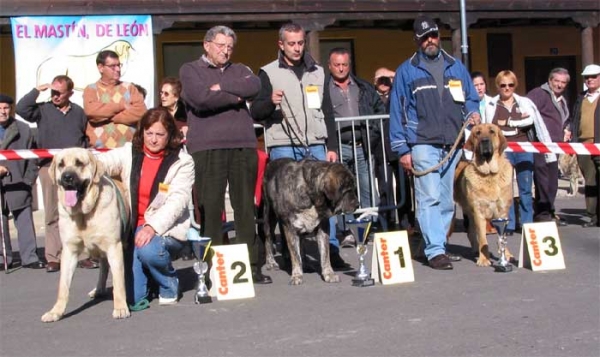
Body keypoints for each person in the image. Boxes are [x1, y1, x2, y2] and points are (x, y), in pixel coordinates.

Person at [250, 22, 349, 270]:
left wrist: (331, 145)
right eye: (291, 43)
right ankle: (293, 255)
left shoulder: (318, 71)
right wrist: (270, 103)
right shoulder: (268, 72)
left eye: (300, 43)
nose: (297, 48)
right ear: (281, 44)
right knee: (289, 205)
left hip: (315, 144)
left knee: (325, 201)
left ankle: (331, 252)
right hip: (284, 146)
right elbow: (256, 112)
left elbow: (327, 111)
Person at [180, 25, 272, 284]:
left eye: (230, 47)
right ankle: (209, 267)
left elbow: (255, 86)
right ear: (207, 45)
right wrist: (236, 96)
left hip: (243, 145)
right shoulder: (190, 70)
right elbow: (200, 99)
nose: (226, 51)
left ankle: (250, 264)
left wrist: (221, 87)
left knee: (245, 207)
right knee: (210, 208)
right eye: (221, 45)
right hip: (207, 147)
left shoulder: (241, 70)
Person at [389, 15, 480, 270]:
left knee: (445, 199)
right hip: (422, 142)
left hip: (451, 142)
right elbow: (397, 111)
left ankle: (437, 243)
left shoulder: (456, 66)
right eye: (424, 37)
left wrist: (473, 112)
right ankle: (435, 250)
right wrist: (402, 149)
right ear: (417, 40)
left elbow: (471, 98)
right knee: (428, 197)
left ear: (439, 36)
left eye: (434, 35)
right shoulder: (407, 71)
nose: (430, 40)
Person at [98, 107, 194, 309]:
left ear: (170, 135)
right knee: (133, 297)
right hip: (132, 230)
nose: (153, 139)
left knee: (148, 250)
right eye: (149, 133)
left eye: (160, 134)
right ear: (142, 132)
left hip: (166, 229)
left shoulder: (183, 161)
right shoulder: (129, 153)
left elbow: (177, 203)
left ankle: (169, 284)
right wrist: (80, 162)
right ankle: (150, 279)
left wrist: (151, 227)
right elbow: (103, 162)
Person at [15, 75, 90, 273]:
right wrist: (36, 91)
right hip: (50, 168)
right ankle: (54, 257)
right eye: (53, 92)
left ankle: (83, 255)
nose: (55, 96)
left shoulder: (79, 113)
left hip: (74, 171)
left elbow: (84, 137)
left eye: (59, 93)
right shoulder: (43, 110)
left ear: (70, 93)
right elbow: (21, 109)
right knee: (52, 214)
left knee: (78, 211)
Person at [483, 70, 554, 235]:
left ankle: (526, 223)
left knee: (526, 188)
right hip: (503, 151)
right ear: (497, 87)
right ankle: (508, 224)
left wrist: (508, 122)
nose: (507, 88)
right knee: (505, 189)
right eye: (503, 85)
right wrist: (517, 123)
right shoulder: (491, 105)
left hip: (524, 149)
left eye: (510, 85)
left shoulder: (525, 102)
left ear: (515, 85)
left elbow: (531, 121)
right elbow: (491, 128)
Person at [326, 47, 385, 246]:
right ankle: (345, 231)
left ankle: (365, 228)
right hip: (339, 147)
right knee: (340, 190)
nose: (341, 69)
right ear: (330, 66)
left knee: (368, 188)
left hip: (363, 145)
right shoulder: (323, 89)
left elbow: (378, 109)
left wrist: (373, 134)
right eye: (337, 65)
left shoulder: (363, 87)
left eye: (344, 65)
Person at [0, 94, 44, 270]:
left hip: (18, 181)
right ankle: (4, 258)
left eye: (5, 108)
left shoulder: (23, 129)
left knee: (24, 220)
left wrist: (28, 180)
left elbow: (34, 157)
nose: (2, 111)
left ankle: (30, 258)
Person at [373, 67, 415, 233]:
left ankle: (406, 222)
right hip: (380, 148)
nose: (384, 82)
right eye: (380, 79)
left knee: (403, 187)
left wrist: (393, 76)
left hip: (398, 148)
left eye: (387, 79)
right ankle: (387, 223)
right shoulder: (371, 95)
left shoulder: (397, 93)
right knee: (385, 188)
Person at [527, 67, 571, 226]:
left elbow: (561, 119)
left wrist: (565, 129)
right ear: (550, 80)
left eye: (563, 83)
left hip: (555, 147)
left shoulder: (561, 99)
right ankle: (542, 213)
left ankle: (549, 210)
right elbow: (525, 110)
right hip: (541, 145)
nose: (559, 85)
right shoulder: (538, 94)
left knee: (552, 180)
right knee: (543, 179)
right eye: (556, 81)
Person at [83, 50, 147, 149]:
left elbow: (141, 112)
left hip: (127, 151)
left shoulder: (130, 88)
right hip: (100, 151)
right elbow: (92, 111)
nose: (117, 69)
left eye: (119, 65)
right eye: (112, 66)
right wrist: (122, 106)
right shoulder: (91, 89)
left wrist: (107, 116)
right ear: (101, 68)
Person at [570, 64, 600, 228]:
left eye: (594, 76)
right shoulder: (581, 97)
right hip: (583, 145)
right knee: (590, 181)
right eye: (587, 77)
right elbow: (575, 119)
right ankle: (592, 216)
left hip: (599, 143)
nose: (590, 79)